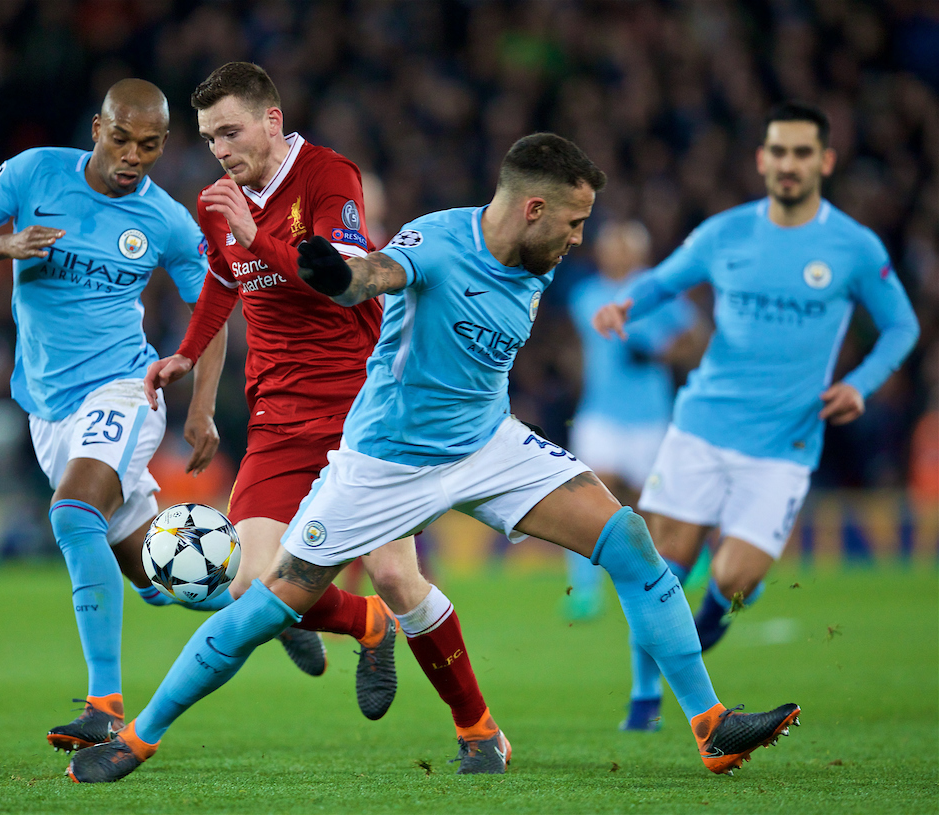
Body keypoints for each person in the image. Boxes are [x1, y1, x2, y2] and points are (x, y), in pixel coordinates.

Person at [68, 132, 802, 784]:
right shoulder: (439, 242)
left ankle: (710, 727)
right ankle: (139, 737)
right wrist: (329, 269)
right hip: (384, 462)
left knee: (631, 540)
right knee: (265, 606)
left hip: (487, 442)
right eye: (575, 223)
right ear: (534, 211)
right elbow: (375, 274)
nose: (581, 240)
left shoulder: (536, 255)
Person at [141, 62, 501, 740]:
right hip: (277, 414)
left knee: (395, 573)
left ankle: (478, 727)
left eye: (231, 132)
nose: (220, 151)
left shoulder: (330, 177)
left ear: (272, 121)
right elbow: (223, 279)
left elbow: (340, 282)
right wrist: (188, 353)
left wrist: (254, 234)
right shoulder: (218, 201)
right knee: (249, 586)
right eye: (210, 138)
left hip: (360, 411)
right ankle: (365, 625)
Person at [592, 102, 920, 732]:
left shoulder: (852, 247)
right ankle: (643, 701)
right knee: (658, 565)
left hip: (784, 443)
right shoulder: (726, 233)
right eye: (779, 152)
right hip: (700, 428)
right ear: (762, 160)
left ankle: (710, 621)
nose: (789, 164)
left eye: (803, 153)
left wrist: (860, 383)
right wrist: (624, 305)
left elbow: (902, 325)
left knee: (734, 577)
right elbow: (665, 281)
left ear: (823, 161)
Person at [0, 79, 229, 752]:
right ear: (97, 127)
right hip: (47, 407)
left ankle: (104, 704)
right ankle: (294, 606)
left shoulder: (166, 221)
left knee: (71, 513)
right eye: (120, 139)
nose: (131, 157)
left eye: (148, 146)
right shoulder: (33, 172)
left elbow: (214, 308)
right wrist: (2, 247)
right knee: (160, 575)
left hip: (125, 388)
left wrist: (202, 409)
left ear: (162, 146)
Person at [563, 221, 700, 620]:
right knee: (582, 498)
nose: (617, 253)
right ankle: (585, 592)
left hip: (650, 416)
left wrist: (658, 355)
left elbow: (693, 336)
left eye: (625, 247)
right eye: (611, 245)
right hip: (599, 413)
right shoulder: (585, 295)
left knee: (649, 503)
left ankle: (684, 560)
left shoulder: (654, 290)